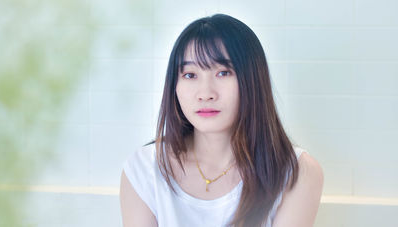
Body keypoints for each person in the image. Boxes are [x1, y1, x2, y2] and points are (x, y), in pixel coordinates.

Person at [119, 14, 324, 227]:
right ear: (174, 86)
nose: (205, 93)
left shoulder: (296, 172)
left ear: (252, 80)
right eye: (190, 75)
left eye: (223, 72)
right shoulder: (145, 169)